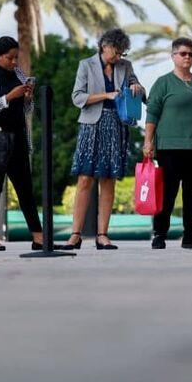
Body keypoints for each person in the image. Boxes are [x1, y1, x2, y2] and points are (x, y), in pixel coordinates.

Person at [65, 28, 144, 251]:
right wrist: (106, 95)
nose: (118, 57)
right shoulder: (86, 65)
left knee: (108, 179)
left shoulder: (125, 66)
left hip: (117, 126)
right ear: (104, 46)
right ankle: (75, 235)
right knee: (84, 179)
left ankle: (102, 235)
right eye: (116, 52)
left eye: (122, 54)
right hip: (92, 126)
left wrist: (137, 87)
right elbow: (77, 97)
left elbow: (140, 91)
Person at [142, 37, 192, 250]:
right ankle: (159, 234)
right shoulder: (163, 82)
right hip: (170, 147)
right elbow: (152, 113)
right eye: (183, 53)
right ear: (173, 56)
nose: (187, 57)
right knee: (168, 192)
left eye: (191, 54)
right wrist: (148, 142)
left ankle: (191, 236)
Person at [0, 36, 46, 251]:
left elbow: (27, 109)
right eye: (10, 58)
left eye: (16, 57)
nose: (14, 62)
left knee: (25, 189)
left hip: (18, 137)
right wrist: (8, 97)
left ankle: (39, 237)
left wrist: (26, 98)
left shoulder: (18, 74)